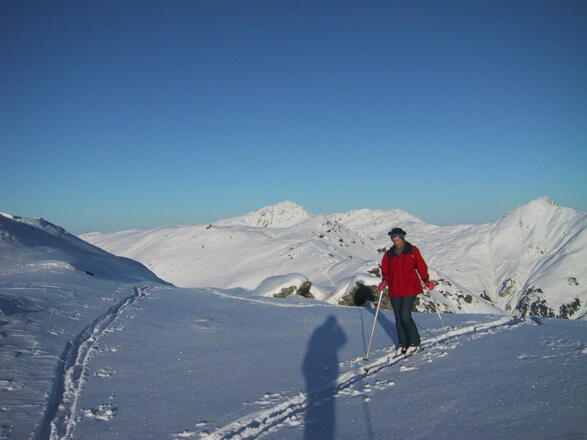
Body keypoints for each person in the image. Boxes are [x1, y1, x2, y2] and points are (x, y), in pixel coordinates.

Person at [378, 227, 434, 355]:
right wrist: (385, 281)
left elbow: (421, 265)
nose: (395, 242)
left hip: (410, 287)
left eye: (397, 239)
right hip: (395, 288)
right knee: (398, 317)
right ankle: (403, 343)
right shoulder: (389, 254)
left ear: (402, 238)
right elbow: (385, 269)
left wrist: (426, 279)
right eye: (393, 240)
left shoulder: (412, 251)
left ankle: (415, 342)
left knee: (405, 315)